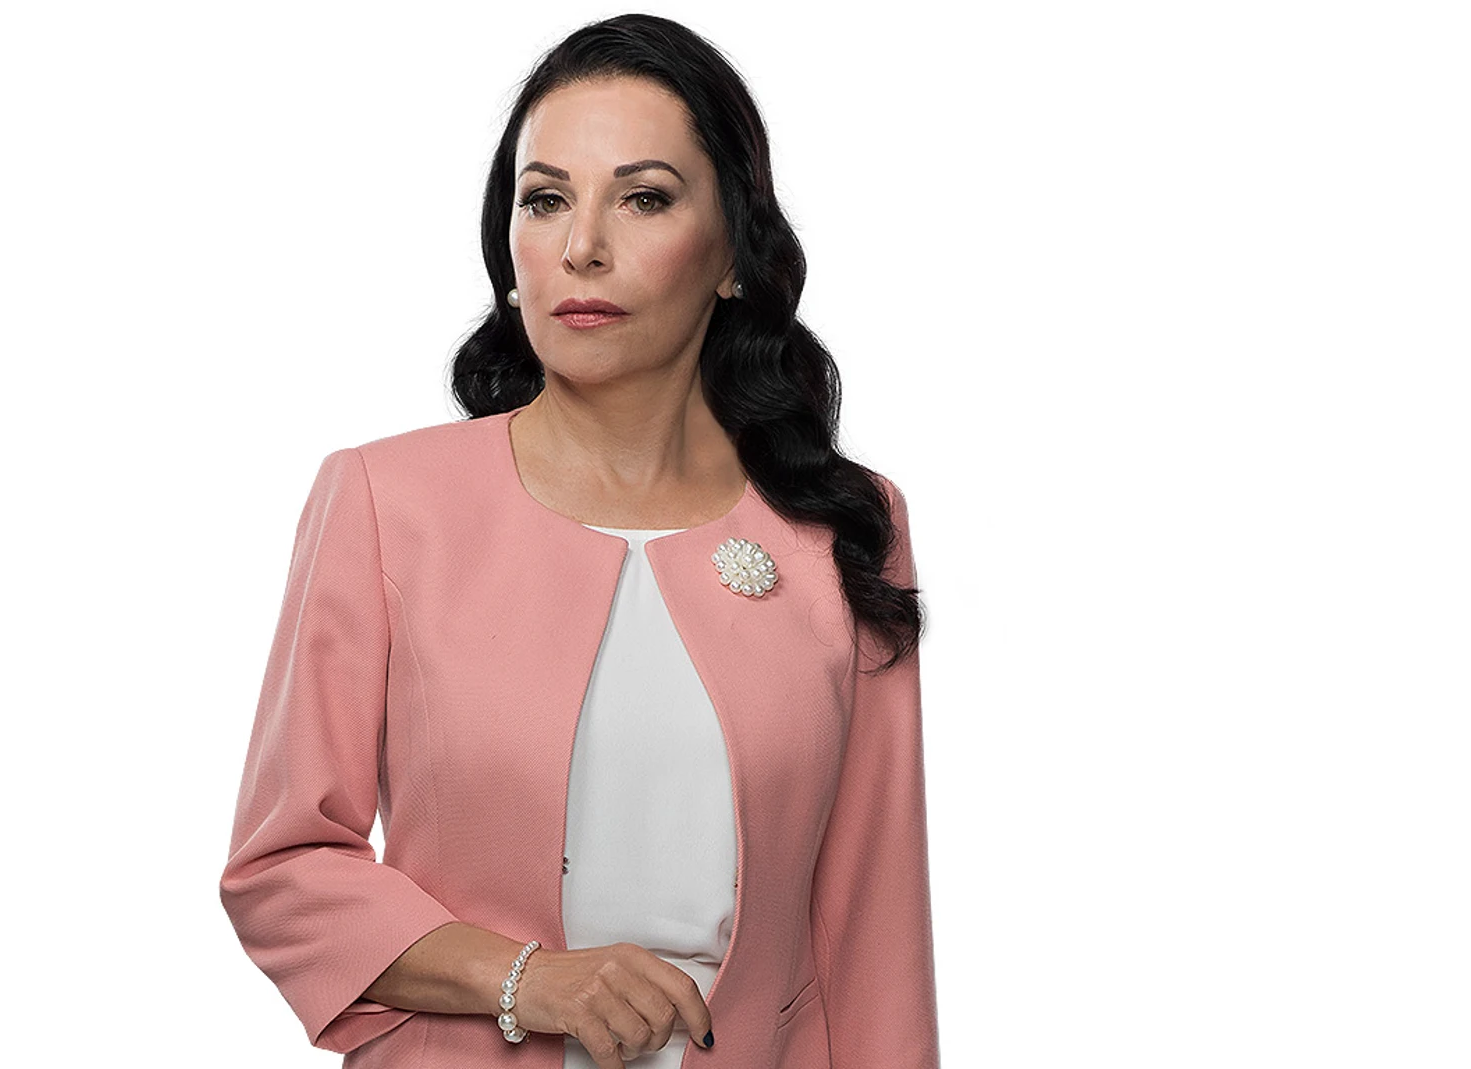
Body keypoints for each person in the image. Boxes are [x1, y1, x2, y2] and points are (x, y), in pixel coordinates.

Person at [220, 13, 940, 1069]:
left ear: (734, 253)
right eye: (545, 199)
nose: (581, 246)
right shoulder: (385, 500)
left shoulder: (843, 523)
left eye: (643, 198)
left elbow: (875, 929)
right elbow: (283, 868)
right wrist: (525, 978)